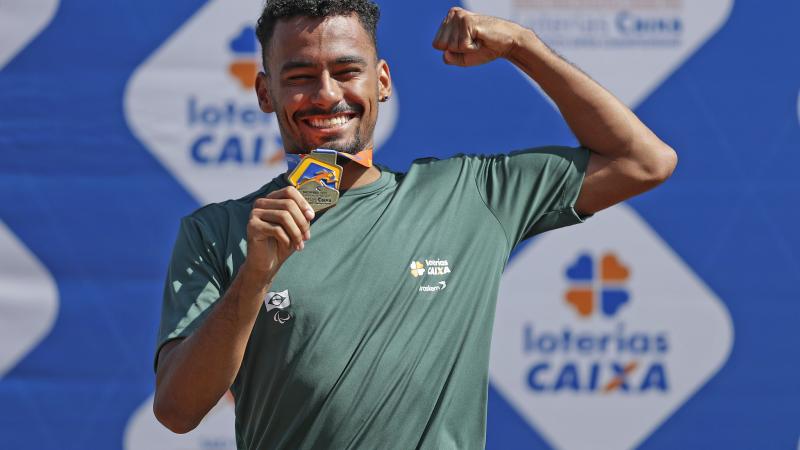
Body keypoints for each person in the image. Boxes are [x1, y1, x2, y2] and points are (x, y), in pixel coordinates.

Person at [153, 1, 677, 448]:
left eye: (346, 70)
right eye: (299, 77)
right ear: (265, 94)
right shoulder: (219, 231)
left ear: (382, 82)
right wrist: (254, 277)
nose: (327, 94)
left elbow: (644, 162)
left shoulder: (471, 195)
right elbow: (177, 412)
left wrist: (523, 45)